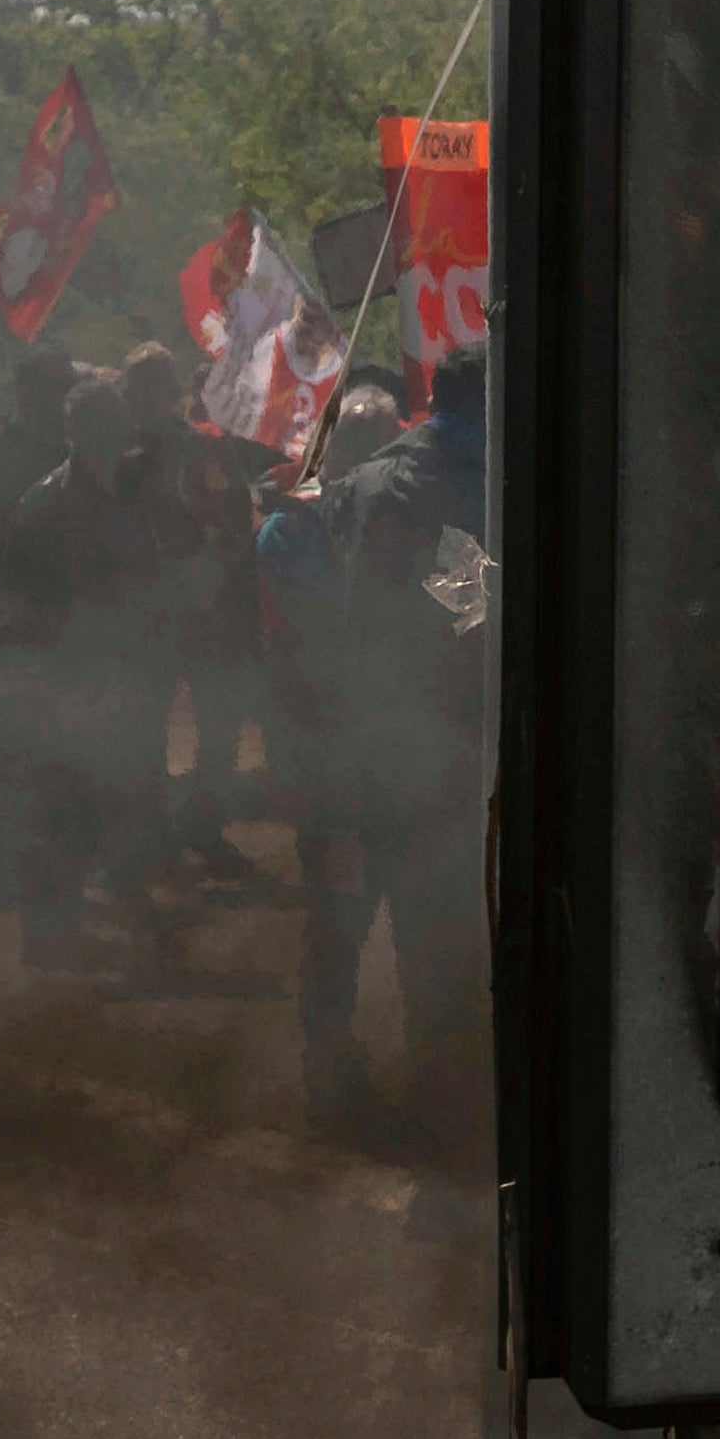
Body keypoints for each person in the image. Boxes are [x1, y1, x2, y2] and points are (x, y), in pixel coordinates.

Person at [267, 350, 490, 1132]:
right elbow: (473, 617)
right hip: (429, 750)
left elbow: (304, 629)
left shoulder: (342, 496)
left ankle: (330, 1069)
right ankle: (434, 1079)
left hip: (345, 743)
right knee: (430, 921)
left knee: (341, 918)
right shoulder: (479, 482)